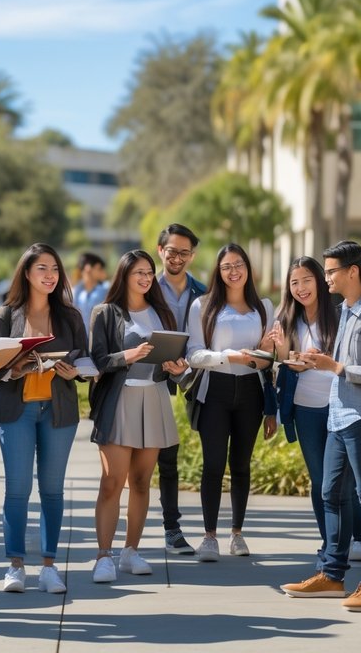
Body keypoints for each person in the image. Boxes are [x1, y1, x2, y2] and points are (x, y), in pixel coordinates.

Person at [282, 240, 361, 612]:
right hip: (337, 415)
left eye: (330, 271)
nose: (325, 277)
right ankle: (331, 574)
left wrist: (334, 367)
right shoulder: (343, 310)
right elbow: (338, 361)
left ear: (353, 272)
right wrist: (317, 362)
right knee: (330, 494)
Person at [0, 243, 88, 596]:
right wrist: (14, 370)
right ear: (27, 273)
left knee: (52, 490)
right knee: (17, 490)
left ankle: (49, 566)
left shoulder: (71, 317)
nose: (50, 275)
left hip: (58, 410)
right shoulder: (4, 315)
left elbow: (86, 365)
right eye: (42, 269)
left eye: (55, 269)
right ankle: (15, 565)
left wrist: (73, 370)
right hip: (17, 410)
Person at [88, 250, 188, 584]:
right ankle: (104, 556)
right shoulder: (105, 312)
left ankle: (131, 550)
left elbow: (173, 366)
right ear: (124, 276)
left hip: (154, 398)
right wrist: (126, 356)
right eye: (138, 273)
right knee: (112, 482)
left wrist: (176, 369)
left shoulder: (163, 313)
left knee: (143, 482)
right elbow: (97, 361)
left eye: (148, 272)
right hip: (120, 400)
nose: (145, 278)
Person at [185, 243, 278, 562]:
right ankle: (209, 536)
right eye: (227, 267)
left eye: (239, 265)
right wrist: (228, 357)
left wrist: (261, 356)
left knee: (241, 465)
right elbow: (194, 354)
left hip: (251, 391)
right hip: (215, 391)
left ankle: (237, 533)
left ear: (248, 268)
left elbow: (270, 360)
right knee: (212, 464)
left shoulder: (265, 307)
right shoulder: (203, 306)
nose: (234, 271)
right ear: (219, 272)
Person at [273, 256, 361, 576]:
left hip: (340, 406)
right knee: (320, 481)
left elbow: (348, 360)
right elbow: (283, 363)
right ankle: (329, 543)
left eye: (306, 280)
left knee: (347, 481)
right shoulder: (285, 318)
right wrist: (286, 355)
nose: (300, 288)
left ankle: (357, 540)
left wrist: (320, 360)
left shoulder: (339, 315)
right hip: (305, 408)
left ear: (319, 282)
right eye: (294, 282)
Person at [154, 223, 206, 555]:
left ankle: (179, 529)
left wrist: (190, 362)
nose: (177, 258)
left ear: (192, 256)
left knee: (178, 456)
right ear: (161, 251)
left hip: (190, 379)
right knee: (155, 458)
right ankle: (165, 530)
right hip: (151, 378)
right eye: (171, 251)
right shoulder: (144, 286)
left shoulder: (203, 292)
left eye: (184, 252)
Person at [73, 252, 109, 331]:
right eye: (99, 268)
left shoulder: (106, 290)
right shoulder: (75, 292)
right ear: (88, 268)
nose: (103, 272)